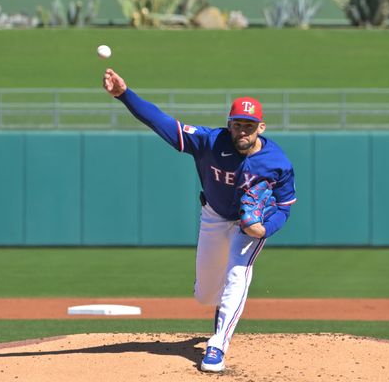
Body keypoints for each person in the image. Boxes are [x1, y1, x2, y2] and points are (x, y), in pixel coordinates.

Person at [102, 68, 296, 373]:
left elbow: (284, 207)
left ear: (261, 127)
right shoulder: (209, 141)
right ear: (229, 125)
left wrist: (265, 228)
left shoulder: (278, 162)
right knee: (205, 294)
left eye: (249, 125)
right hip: (215, 216)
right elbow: (163, 122)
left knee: (237, 274)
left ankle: (217, 345)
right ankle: (219, 307)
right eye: (237, 125)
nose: (243, 131)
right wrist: (125, 95)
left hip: (250, 226)